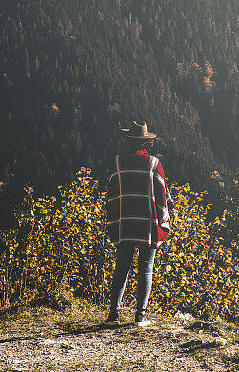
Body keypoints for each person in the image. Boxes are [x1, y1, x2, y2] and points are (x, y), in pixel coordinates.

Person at [104, 120, 173, 327]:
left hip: (125, 224)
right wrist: (164, 218)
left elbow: (112, 195)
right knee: (145, 269)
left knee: (121, 268)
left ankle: (113, 316)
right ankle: (140, 316)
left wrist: (115, 220)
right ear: (146, 143)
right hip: (147, 226)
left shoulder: (117, 162)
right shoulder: (153, 164)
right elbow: (162, 196)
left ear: (128, 141)